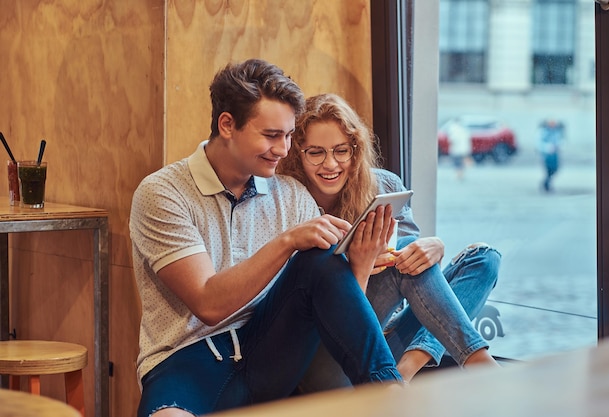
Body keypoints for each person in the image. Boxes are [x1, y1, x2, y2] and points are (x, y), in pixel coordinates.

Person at [129, 60, 405, 417]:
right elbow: (207, 304)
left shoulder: (291, 194)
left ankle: (394, 395)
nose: (284, 149)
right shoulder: (163, 193)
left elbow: (333, 305)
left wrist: (362, 262)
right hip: (185, 358)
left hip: (270, 353)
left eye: (289, 136)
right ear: (227, 125)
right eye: (272, 135)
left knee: (319, 259)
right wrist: (287, 241)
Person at [277, 93, 501, 390]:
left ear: (355, 150)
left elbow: (420, 281)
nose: (330, 164)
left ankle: (404, 373)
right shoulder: (285, 201)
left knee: (484, 258)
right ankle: (483, 367)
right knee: (405, 251)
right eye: (315, 152)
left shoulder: (383, 185)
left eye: (341, 150)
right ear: (298, 153)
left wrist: (434, 248)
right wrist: (361, 265)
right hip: (324, 352)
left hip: (385, 335)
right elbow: (298, 310)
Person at [537, 119, 564, 192]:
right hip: (547, 154)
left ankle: (547, 182)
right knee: (549, 169)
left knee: (555, 169)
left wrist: (558, 146)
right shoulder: (543, 132)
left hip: (554, 154)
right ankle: (547, 184)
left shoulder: (556, 131)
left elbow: (560, 140)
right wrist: (548, 147)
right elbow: (539, 143)